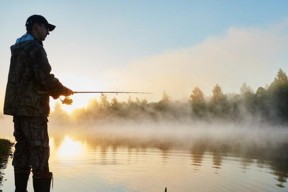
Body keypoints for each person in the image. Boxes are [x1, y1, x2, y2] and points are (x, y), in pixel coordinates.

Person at [3, 15, 73, 192]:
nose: (48, 33)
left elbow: (29, 78)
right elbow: (44, 77)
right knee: (40, 152)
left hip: (18, 108)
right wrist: (63, 90)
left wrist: (57, 91)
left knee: (23, 149)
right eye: (46, 28)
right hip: (33, 109)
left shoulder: (18, 48)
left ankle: (20, 190)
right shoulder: (35, 48)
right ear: (36, 26)